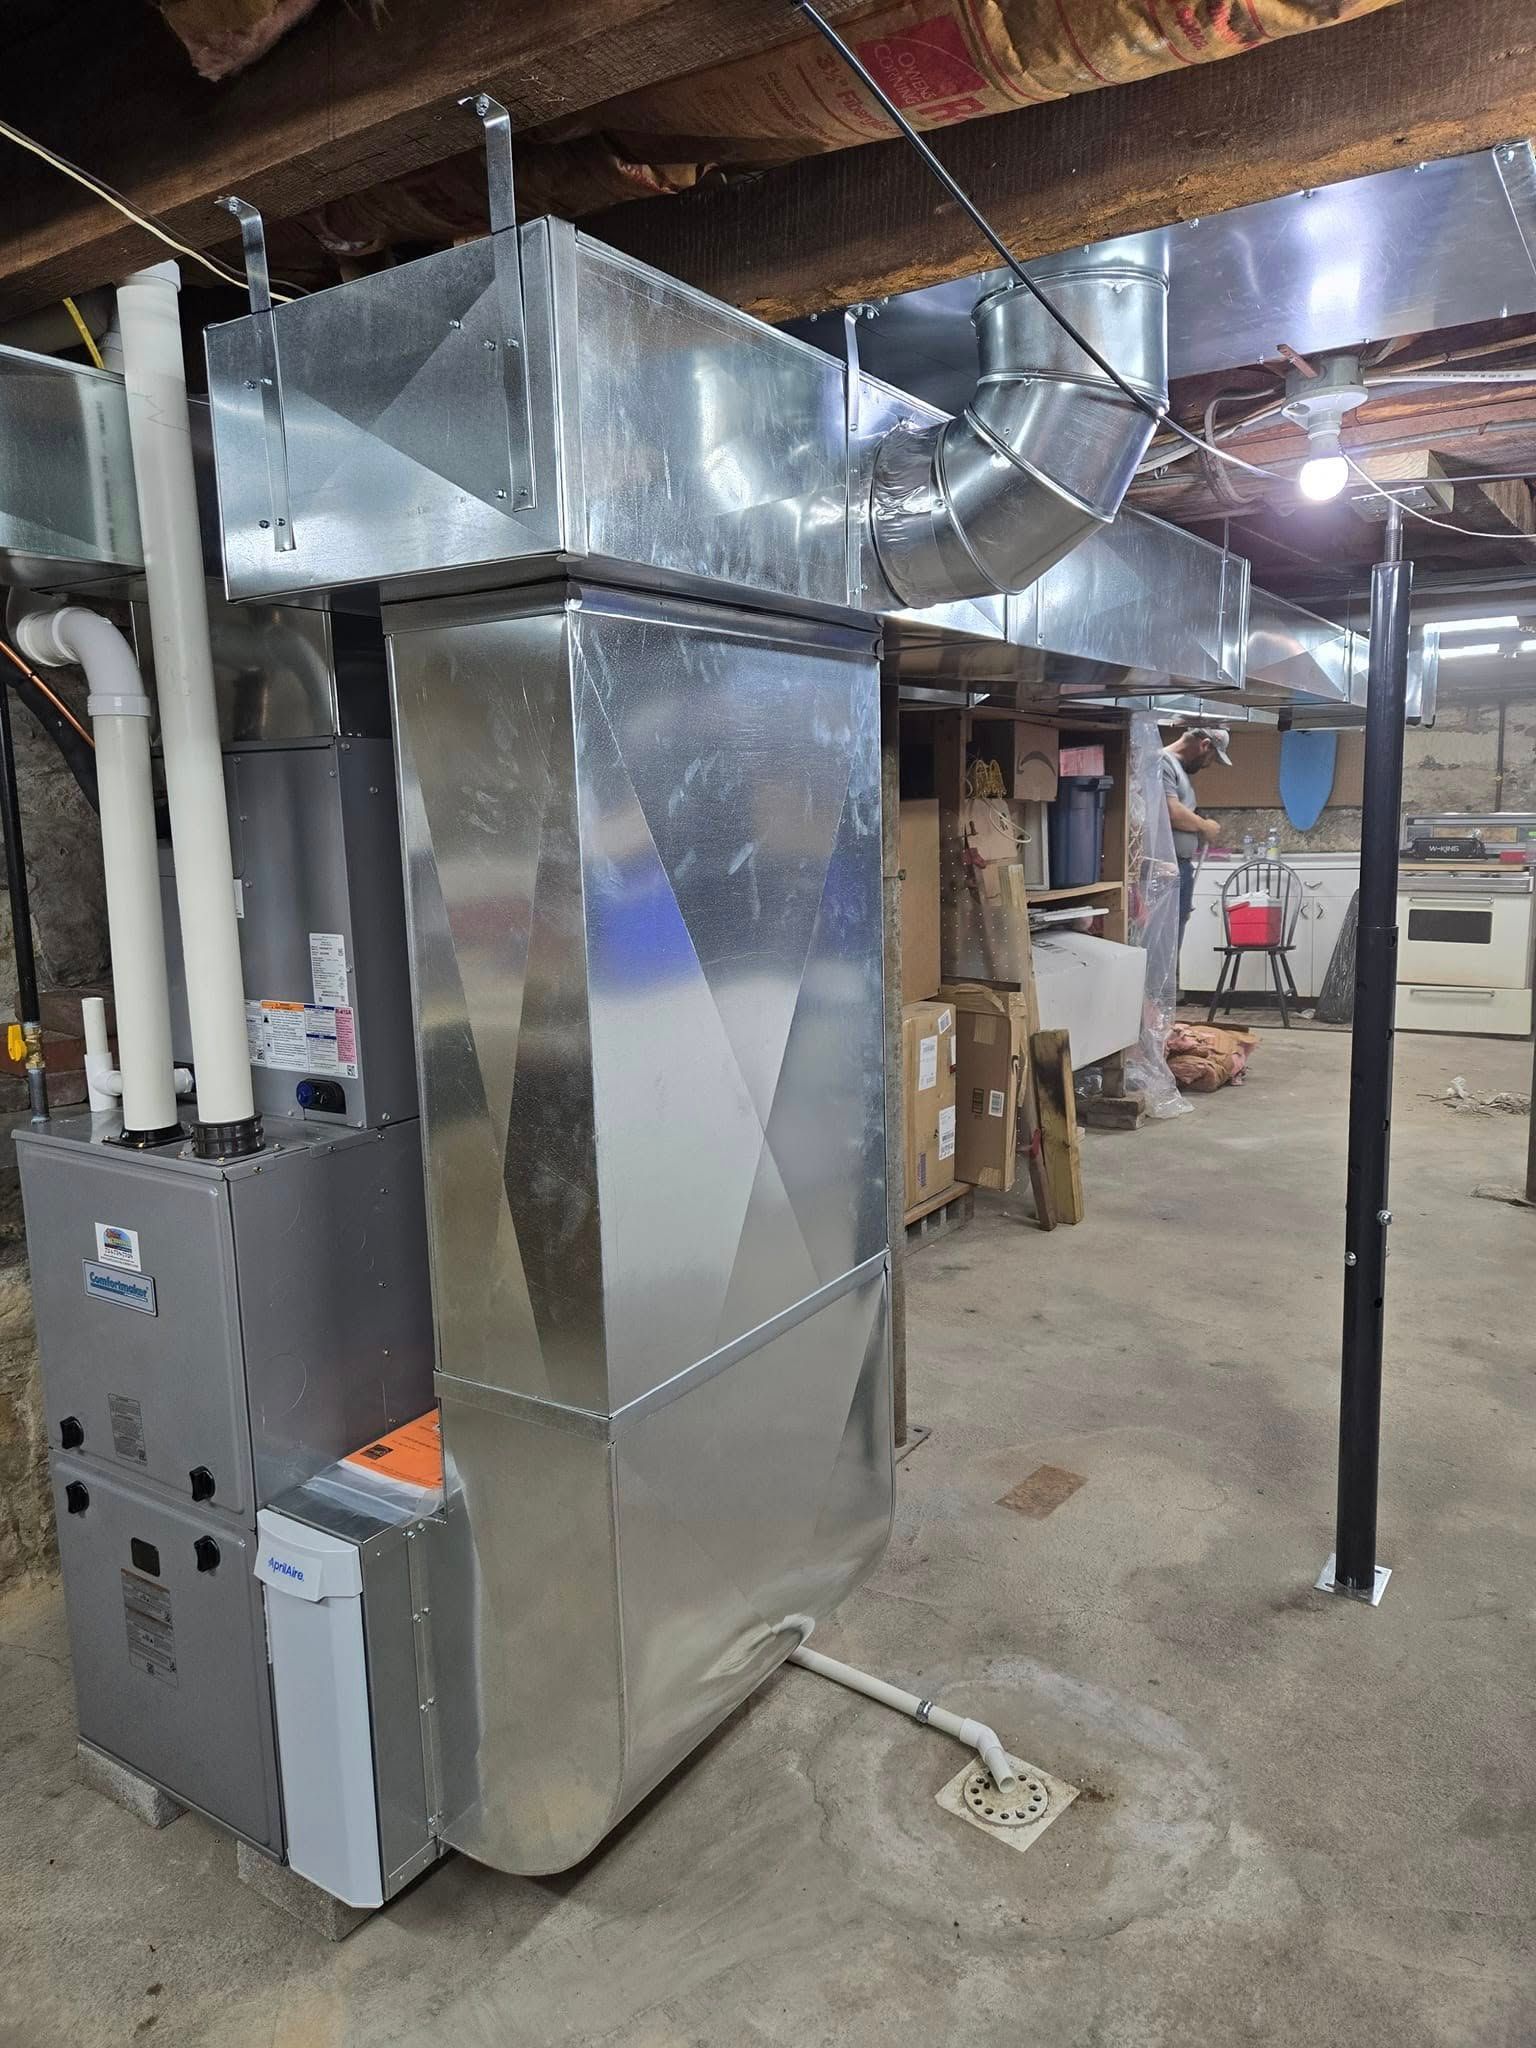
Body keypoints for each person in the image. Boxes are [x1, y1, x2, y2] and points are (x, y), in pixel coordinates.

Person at [1161, 722, 1231, 947]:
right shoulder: (1163, 762)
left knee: (1176, 930)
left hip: (1180, 865)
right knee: (1166, 936)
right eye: (1212, 758)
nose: (1207, 765)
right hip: (1165, 868)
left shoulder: (1179, 769)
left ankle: (1171, 980)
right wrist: (1204, 826)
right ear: (1205, 745)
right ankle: (1162, 982)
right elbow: (1170, 811)